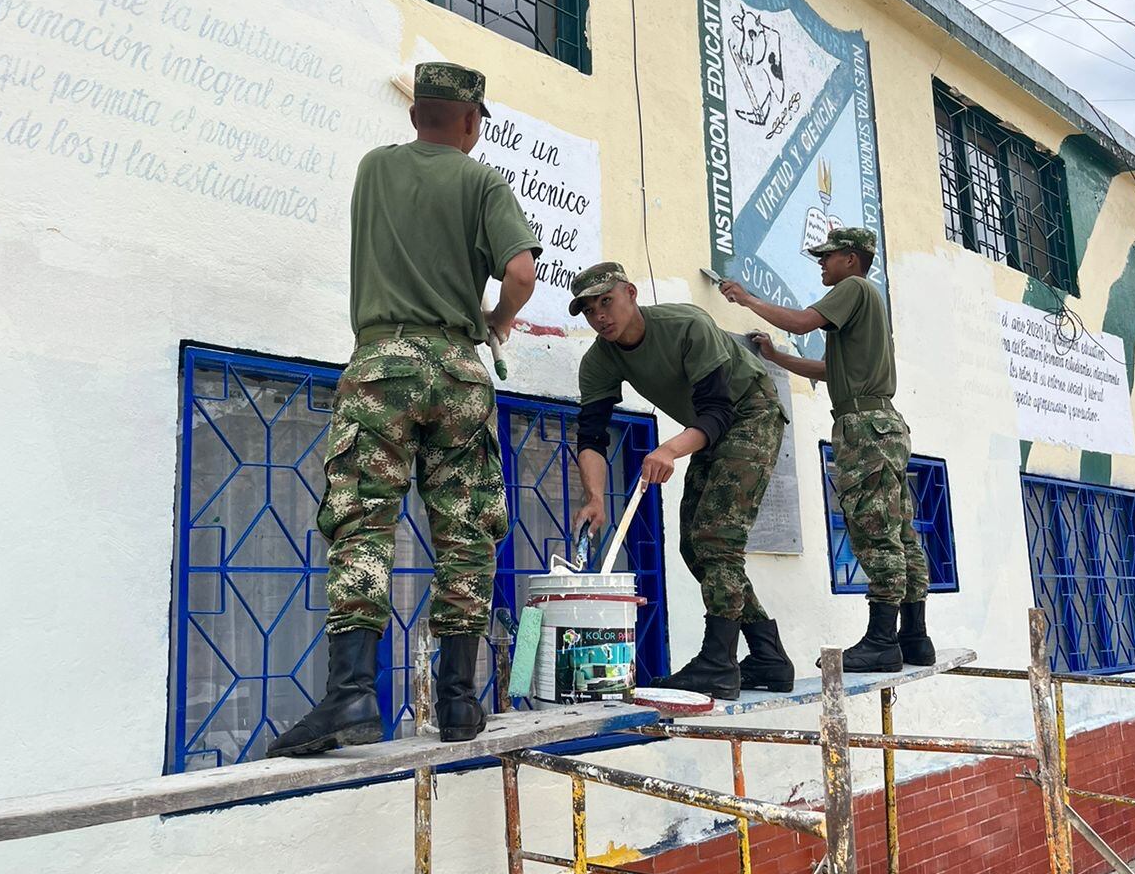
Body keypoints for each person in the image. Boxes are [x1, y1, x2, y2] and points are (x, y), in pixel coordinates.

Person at [270, 62, 540, 755]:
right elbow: (520, 273)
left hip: (381, 363)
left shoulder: (374, 169)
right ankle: (457, 702)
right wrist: (496, 322)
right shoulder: (483, 181)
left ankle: (352, 697)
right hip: (456, 369)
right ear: (472, 121)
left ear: (417, 112)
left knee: (362, 524)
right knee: (465, 533)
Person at [570, 263, 794, 700]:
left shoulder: (686, 325)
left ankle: (718, 663)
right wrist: (595, 497)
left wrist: (669, 449)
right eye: (589, 310)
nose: (600, 316)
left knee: (715, 539)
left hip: (750, 411)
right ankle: (767, 655)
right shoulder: (598, 360)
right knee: (695, 545)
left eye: (606, 301)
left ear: (631, 293)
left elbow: (718, 410)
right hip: (707, 425)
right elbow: (591, 434)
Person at [719, 226, 934, 674]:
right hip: (884, 424)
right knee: (900, 532)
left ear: (852, 259)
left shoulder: (853, 288)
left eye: (828, 256)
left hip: (863, 428)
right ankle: (914, 637)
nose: (821, 263)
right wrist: (777, 357)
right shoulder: (866, 304)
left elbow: (801, 322)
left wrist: (747, 299)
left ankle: (881, 641)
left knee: (874, 530)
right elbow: (828, 368)